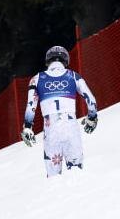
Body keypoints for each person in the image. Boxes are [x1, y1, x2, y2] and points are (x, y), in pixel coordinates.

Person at [21, 45, 98, 177]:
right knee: (76, 175)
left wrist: (27, 127)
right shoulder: (73, 76)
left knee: (53, 178)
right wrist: (92, 118)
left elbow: (30, 105)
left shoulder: (36, 79)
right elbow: (91, 100)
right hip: (71, 128)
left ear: (48, 61)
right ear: (66, 61)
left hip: (50, 131)